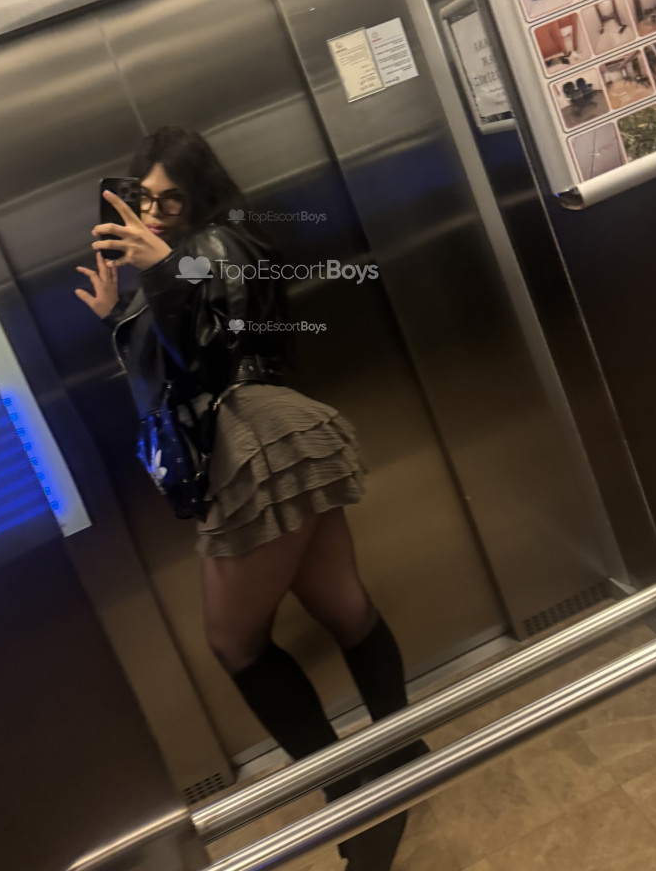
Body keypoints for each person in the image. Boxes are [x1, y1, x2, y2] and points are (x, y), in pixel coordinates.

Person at [76, 126, 426, 869]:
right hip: (270, 438)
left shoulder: (213, 247)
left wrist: (159, 273)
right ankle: (402, 753)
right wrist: (118, 315)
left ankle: (356, 796)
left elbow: (207, 347)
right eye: (144, 199)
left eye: (170, 198)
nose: (155, 212)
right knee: (344, 607)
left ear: (200, 195)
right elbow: (174, 361)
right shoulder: (182, 257)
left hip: (256, 444)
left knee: (234, 642)